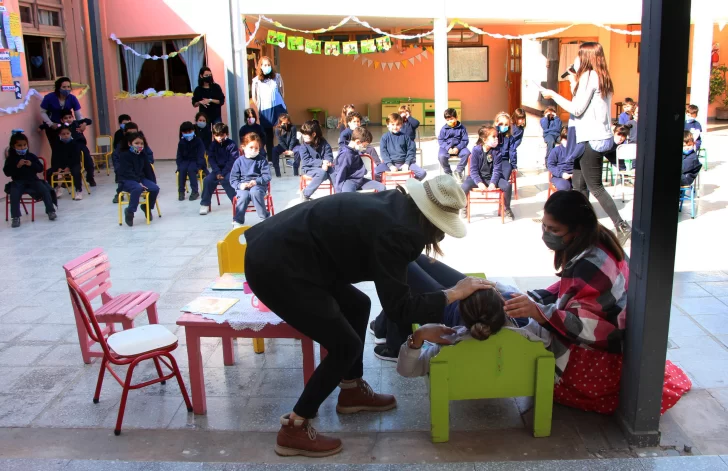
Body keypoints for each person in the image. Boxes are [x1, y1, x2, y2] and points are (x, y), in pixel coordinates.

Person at [243, 174, 488, 457]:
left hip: (296, 254)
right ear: (433, 220)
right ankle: (295, 427)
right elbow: (399, 310)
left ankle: (351, 389)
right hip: (276, 265)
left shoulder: (399, 206)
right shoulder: (398, 232)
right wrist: (452, 294)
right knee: (344, 345)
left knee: (357, 304)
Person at [396, 191, 691, 416]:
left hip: (583, 354)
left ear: (576, 229)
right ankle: (402, 314)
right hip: (536, 324)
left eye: (553, 229)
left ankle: (395, 323)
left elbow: (594, 329)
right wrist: (517, 297)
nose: (546, 234)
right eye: (545, 226)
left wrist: (538, 311)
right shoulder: (596, 243)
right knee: (448, 277)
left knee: (416, 270)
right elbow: (565, 294)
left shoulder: (594, 264)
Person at [540, 42, 632, 244]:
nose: (577, 59)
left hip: (591, 139)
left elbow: (577, 109)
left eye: (580, 55)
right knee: (579, 187)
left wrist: (554, 94)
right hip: (586, 138)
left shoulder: (591, 76)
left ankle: (621, 226)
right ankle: (582, 229)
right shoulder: (599, 76)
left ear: (588, 57)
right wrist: (574, 82)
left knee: (594, 186)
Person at [460, 125, 514, 221]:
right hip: (477, 178)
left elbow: (497, 170)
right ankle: (464, 206)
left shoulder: (497, 152)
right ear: (484, 140)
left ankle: (506, 208)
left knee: (507, 186)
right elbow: (473, 170)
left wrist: (493, 182)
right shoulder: (476, 150)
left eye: (496, 136)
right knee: (464, 186)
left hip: (491, 178)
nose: (496, 139)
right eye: (493, 136)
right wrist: (479, 182)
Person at [3, 132, 56, 228]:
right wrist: (17, 166)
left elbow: (40, 168)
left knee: (44, 189)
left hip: (33, 180)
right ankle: (15, 217)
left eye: (24, 145)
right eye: (19, 146)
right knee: (14, 194)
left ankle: (50, 211)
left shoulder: (31, 156)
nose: (22, 148)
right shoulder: (11, 159)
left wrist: (31, 164)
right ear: (13, 146)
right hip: (18, 181)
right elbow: (7, 172)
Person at [118, 132, 160, 227]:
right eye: (136, 143)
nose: (139, 146)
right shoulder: (124, 155)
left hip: (141, 178)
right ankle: (130, 211)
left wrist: (152, 182)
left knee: (154, 188)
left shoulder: (142, 155)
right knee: (137, 188)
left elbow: (148, 170)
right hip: (127, 180)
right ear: (130, 144)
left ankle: (146, 207)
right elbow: (127, 172)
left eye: (141, 144)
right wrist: (138, 182)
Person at [230, 132, 271, 228]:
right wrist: (240, 185)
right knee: (244, 196)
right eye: (251, 147)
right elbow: (233, 179)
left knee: (255, 192)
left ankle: (264, 217)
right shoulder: (239, 161)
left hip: (258, 185)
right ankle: (238, 220)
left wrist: (256, 181)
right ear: (243, 147)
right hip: (243, 186)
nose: (254, 150)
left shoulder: (261, 160)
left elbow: (267, 176)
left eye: (256, 148)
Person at [251, 56, 287, 158]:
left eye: (268, 65)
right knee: (268, 135)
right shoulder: (256, 80)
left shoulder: (277, 77)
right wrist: (259, 107)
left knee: (284, 131)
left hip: (278, 107)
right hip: (265, 110)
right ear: (260, 66)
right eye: (265, 65)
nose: (267, 67)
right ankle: (271, 157)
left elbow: (282, 91)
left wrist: (281, 103)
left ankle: (287, 154)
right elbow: (254, 96)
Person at [333, 127, 386, 194]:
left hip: (359, 180)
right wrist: (338, 191)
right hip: (348, 181)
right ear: (358, 142)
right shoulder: (345, 154)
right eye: (364, 145)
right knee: (349, 197)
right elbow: (340, 173)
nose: (365, 148)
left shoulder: (355, 150)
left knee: (382, 188)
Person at [200, 123, 238, 215]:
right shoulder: (212, 145)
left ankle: (236, 202)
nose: (219, 137)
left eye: (222, 135)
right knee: (207, 180)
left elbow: (232, 160)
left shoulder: (232, 144)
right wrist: (217, 172)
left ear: (227, 134)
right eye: (217, 135)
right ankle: (205, 204)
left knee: (228, 180)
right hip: (216, 171)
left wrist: (223, 172)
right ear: (213, 135)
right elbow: (211, 160)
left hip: (229, 170)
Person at [376, 113, 426, 182]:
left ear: (401, 125)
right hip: (390, 164)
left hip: (404, 163)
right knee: (375, 172)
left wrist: (407, 163)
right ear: (388, 125)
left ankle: (412, 184)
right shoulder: (384, 137)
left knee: (422, 173)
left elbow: (411, 150)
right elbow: (383, 152)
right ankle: (381, 188)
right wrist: (390, 165)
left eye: (398, 124)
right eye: (392, 124)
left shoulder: (405, 137)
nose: (395, 127)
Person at [39, 77, 86, 147]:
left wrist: (81, 124)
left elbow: (78, 114)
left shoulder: (72, 98)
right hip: (54, 126)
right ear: (58, 88)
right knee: (57, 148)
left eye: (68, 87)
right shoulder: (49, 98)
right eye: (64, 87)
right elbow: (42, 112)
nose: (67, 89)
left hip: (68, 127)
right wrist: (50, 124)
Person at [56, 109, 95, 187]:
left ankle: (90, 178)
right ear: (62, 120)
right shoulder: (61, 127)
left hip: (80, 145)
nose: (68, 119)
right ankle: (67, 181)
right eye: (66, 118)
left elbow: (89, 120)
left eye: (70, 117)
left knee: (89, 162)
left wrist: (84, 123)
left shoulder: (76, 123)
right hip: (69, 148)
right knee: (68, 163)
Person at [298, 120, 334, 202]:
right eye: (303, 135)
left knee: (333, 171)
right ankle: (305, 194)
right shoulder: (303, 146)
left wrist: (328, 162)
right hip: (308, 168)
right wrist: (321, 163)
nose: (303, 137)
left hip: (324, 167)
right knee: (322, 173)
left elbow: (328, 154)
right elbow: (306, 161)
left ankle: (339, 193)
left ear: (314, 134)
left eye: (305, 135)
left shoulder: (323, 142)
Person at [47, 126, 83, 200]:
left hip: (73, 164)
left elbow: (76, 158)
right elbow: (55, 158)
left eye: (67, 133)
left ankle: (78, 190)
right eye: (63, 134)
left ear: (70, 134)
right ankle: (57, 188)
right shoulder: (57, 145)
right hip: (61, 164)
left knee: (76, 172)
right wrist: (58, 167)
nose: (66, 135)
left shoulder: (75, 144)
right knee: (48, 172)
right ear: (59, 135)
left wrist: (68, 167)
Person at [176, 121, 206, 202]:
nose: (188, 134)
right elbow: (179, 156)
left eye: (189, 131)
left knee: (191, 169)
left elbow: (201, 155)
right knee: (182, 169)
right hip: (185, 161)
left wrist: (198, 165)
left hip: (195, 161)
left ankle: (195, 191)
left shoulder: (198, 141)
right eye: (185, 132)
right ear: (182, 133)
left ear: (193, 131)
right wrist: (179, 165)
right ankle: (181, 191)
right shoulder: (181, 142)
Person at [437, 108, 470, 181]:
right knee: (441, 156)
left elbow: (465, 140)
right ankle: (448, 172)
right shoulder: (443, 129)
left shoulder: (462, 128)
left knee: (467, 153)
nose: (450, 121)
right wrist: (448, 148)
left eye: (451, 119)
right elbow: (441, 140)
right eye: (447, 120)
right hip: (446, 147)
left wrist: (458, 147)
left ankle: (458, 171)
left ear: (456, 118)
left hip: (459, 147)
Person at [272, 113, 298, 178]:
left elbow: (293, 139)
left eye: (287, 122)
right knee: (274, 150)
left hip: (293, 145)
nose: (286, 125)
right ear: (280, 123)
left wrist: (290, 149)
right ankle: (278, 173)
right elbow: (280, 141)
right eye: (284, 123)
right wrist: (286, 149)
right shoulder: (277, 129)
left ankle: (296, 171)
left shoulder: (293, 127)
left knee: (298, 151)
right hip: (283, 146)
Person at [547, 127, 572, 191]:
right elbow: (550, 165)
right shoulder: (556, 150)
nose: (566, 142)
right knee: (565, 187)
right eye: (564, 139)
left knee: (583, 186)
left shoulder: (576, 150)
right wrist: (562, 174)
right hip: (559, 176)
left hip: (574, 175)